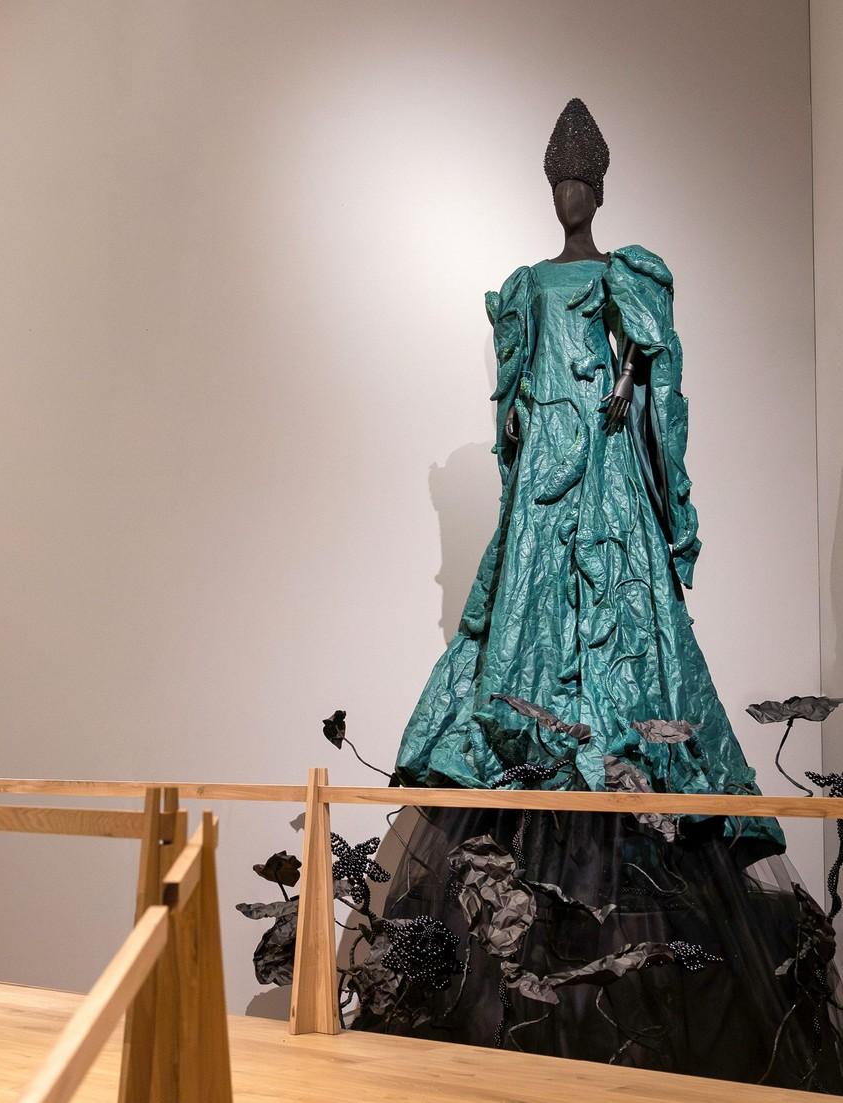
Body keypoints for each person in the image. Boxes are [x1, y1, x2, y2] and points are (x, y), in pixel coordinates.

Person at [326, 99, 843, 1089]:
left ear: (594, 188)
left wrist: (658, 497)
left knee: (626, 695)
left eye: (580, 181)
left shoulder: (619, 278)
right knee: (522, 699)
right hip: (553, 511)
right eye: (562, 180)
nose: (570, 193)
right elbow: (524, 417)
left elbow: (652, 395)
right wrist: (550, 509)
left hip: (602, 503)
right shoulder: (536, 286)